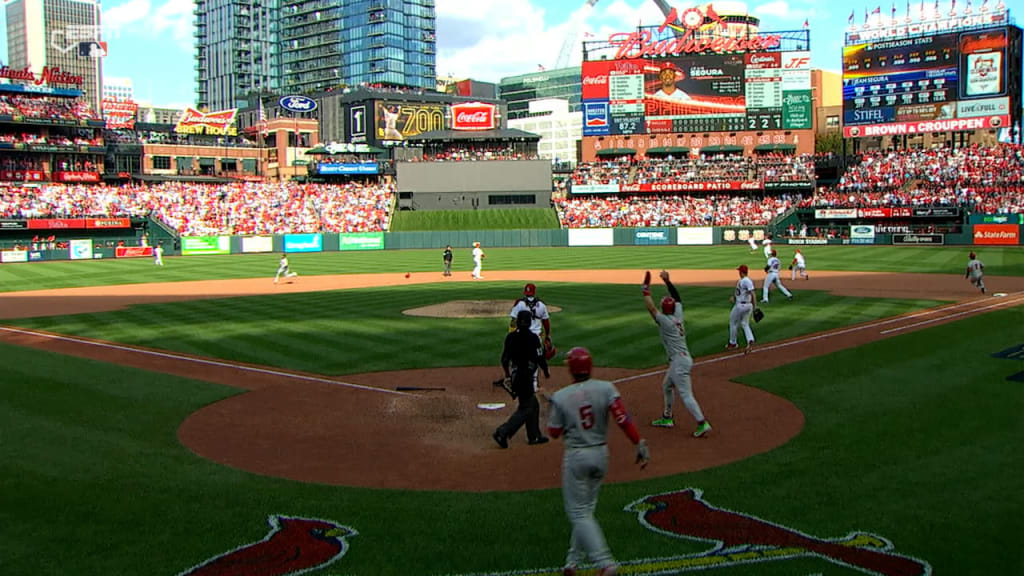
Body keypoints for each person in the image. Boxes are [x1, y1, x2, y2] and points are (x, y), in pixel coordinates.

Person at [547, 347, 650, 576]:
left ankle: (606, 563)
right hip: (601, 455)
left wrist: (553, 411)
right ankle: (572, 562)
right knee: (586, 510)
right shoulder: (606, 388)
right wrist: (638, 444)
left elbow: (553, 432)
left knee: (578, 513)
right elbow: (623, 419)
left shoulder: (562, 396)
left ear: (571, 369)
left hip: (577, 457)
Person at [642, 270, 711, 436]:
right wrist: (667, 281)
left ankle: (702, 423)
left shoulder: (665, 322)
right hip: (680, 360)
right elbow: (677, 298)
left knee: (686, 394)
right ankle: (667, 417)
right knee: (666, 386)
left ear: (664, 309)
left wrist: (646, 291)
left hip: (679, 363)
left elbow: (651, 309)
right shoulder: (677, 314)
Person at [493, 310, 551, 448]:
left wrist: (508, 375)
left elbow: (504, 360)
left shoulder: (510, 337)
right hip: (525, 377)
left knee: (533, 404)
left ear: (518, 322)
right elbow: (540, 358)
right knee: (527, 407)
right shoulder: (533, 338)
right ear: (530, 322)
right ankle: (503, 432)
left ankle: (534, 436)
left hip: (515, 376)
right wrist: (546, 371)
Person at [508, 283, 554, 388]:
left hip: (520, 336)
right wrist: (548, 335)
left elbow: (513, 321)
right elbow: (546, 322)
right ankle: (534, 383)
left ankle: (515, 380)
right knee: (536, 359)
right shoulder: (541, 305)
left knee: (517, 357)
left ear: (525, 292)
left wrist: (512, 334)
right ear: (534, 292)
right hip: (535, 337)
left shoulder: (519, 304)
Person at [727, 264, 758, 352]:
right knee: (745, 323)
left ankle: (733, 343)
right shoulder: (744, 281)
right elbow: (741, 293)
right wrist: (734, 297)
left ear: (741, 272)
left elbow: (752, 293)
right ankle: (750, 339)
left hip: (740, 306)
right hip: (748, 306)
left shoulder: (745, 281)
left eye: (739, 271)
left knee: (733, 323)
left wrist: (756, 306)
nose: (739, 273)